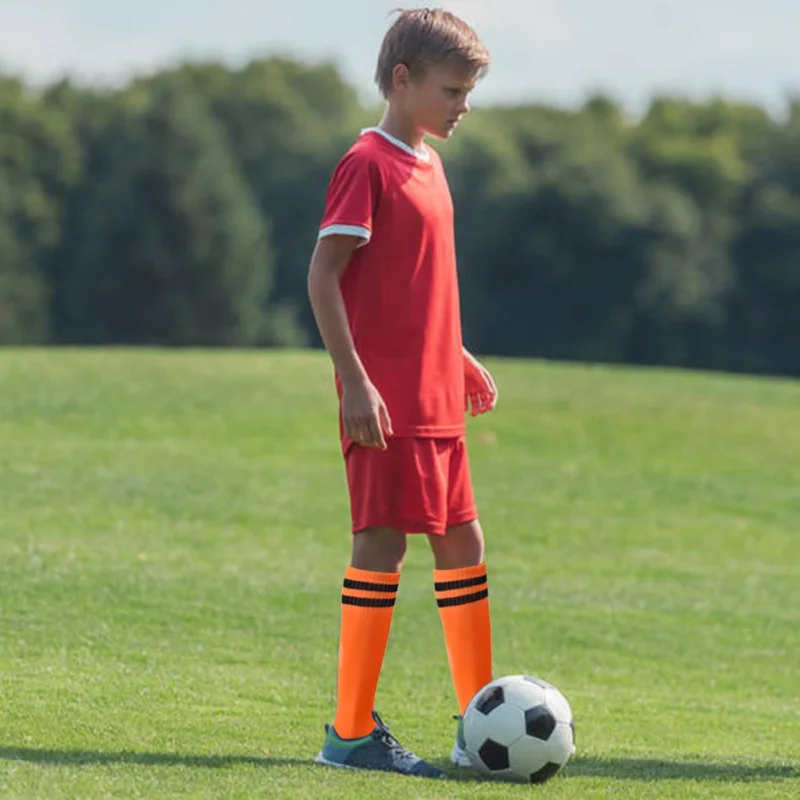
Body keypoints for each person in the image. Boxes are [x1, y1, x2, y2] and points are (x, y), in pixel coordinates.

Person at [307, 7, 497, 779]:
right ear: (401, 79)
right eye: (452, 90)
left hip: (434, 401)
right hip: (384, 403)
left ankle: (481, 722)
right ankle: (349, 733)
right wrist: (355, 382)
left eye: (469, 92)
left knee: (463, 545)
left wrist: (454, 352)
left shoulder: (431, 163)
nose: (463, 106)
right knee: (381, 547)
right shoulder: (368, 163)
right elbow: (325, 277)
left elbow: (412, 285)